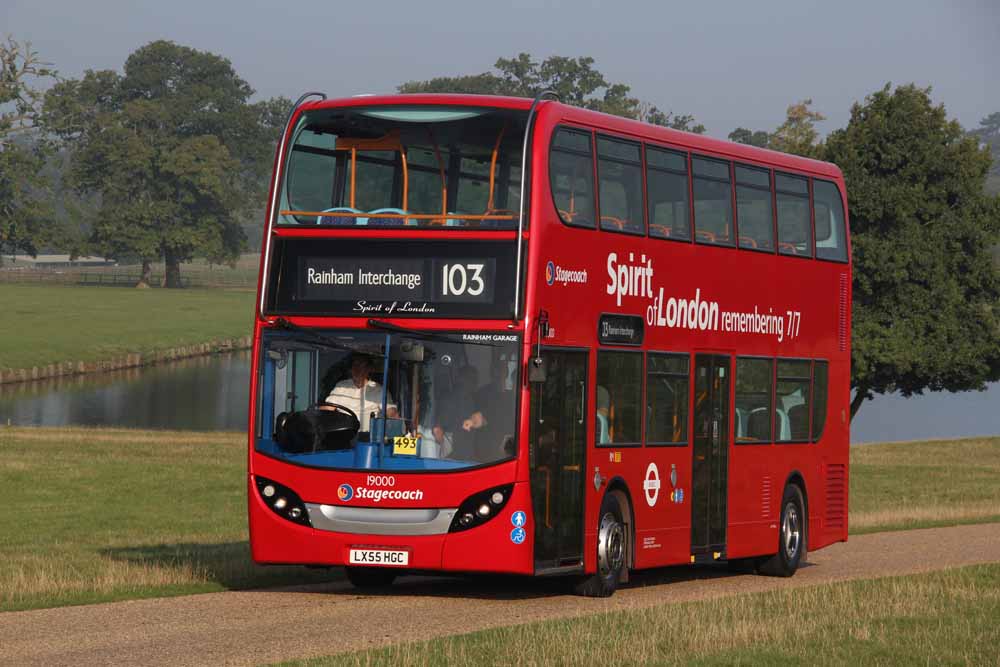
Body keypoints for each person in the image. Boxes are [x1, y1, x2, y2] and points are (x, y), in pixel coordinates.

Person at [323, 355, 398, 432]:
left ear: (368, 369)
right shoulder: (341, 386)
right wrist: (315, 416)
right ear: (351, 369)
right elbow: (327, 409)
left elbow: (392, 413)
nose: (357, 370)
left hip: (367, 438)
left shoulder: (379, 390)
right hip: (343, 435)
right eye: (355, 366)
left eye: (361, 366)